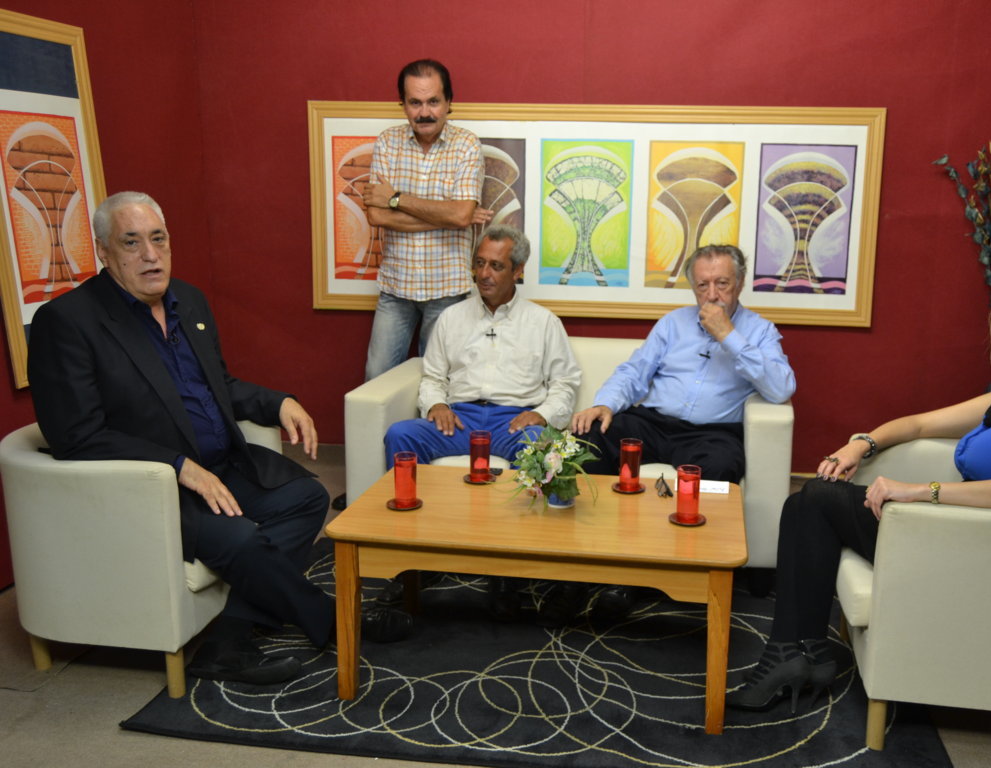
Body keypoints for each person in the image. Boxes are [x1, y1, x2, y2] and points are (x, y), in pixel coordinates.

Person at [27, 192, 408, 686]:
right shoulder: (68, 321)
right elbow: (75, 436)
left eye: (158, 239)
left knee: (306, 497)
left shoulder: (189, 301)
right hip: (150, 489)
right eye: (131, 242)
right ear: (103, 251)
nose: (150, 255)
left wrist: (277, 402)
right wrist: (178, 465)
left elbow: (217, 386)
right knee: (241, 537)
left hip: (221, 467)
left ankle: (228, 638)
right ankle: (337, 620)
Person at [726, 276, 991, 714]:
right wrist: (860, 444)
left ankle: (797, 653)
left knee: (817, 499)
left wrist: (921, 492)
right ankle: (797, 651)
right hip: (962, 529)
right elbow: (919, 424)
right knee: (807, 503)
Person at [570, 243, 796, 621]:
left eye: (722, 283)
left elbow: (781, 387)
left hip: (712, 433)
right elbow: (634, 372)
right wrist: (605, 403)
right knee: (590, 438)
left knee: (720, 466)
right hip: (655, 422)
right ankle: (589, 557)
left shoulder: (759, 331)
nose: (712, 294)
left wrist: (729, 336)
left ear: (740, 283)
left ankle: (678, 569)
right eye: (702, 285)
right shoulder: (673, 324)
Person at [382, 226, 582, 625]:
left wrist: (542, 414)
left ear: (518, 270)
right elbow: (432, 376)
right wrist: (436, 403)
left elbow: (565, 383)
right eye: (479, 263)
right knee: (401, 435)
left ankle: (511, 571)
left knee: (543, 447)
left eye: (496, 266)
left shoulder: (543, 322)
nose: (485, 274)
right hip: (461, 417)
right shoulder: (452, 317)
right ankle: (413, 556)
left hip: (514, 421)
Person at [361, 58, 493, 381]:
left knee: (437, 385)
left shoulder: (466, 145)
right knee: (375, 380)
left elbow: (460, 214)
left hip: (447, 291)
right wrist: (452, 216)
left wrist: (396, 200)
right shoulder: (387, 143)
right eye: (415, 102)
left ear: (449, 103)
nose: (425, 112)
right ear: (403, 104)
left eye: (433, 101)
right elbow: (377, 215)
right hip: (396, 288)